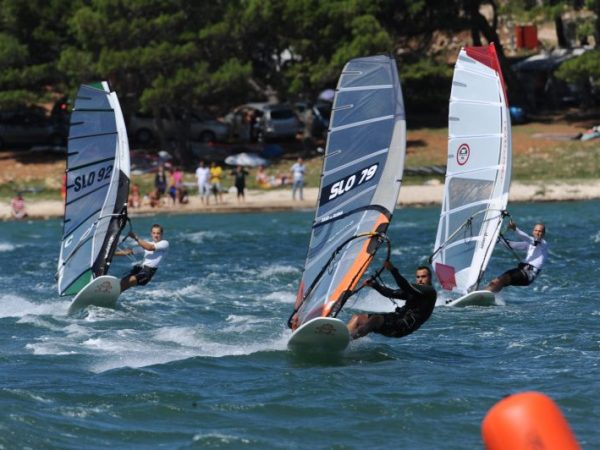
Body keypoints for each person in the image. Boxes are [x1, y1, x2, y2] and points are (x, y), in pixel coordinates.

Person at [347, 262, 437, 340]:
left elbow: (405, 286)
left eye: (423, 276)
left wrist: (392, 270)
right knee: (358, 318)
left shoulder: (429, 292)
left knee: (375, 319)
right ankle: (343, 335)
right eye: (418, 277)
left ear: (430, 278)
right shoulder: (413, 292)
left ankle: (349, 339)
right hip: (395, 319)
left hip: (403, 327)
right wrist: (375, 285)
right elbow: (391, 293)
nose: (420, 279)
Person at [485, 220, 548, 293]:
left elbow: (528, 239)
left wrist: (515, 229)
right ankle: (487, 294)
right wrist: (498, 240)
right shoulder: (529, 244)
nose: (537, 233)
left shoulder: (543, 243)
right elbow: (512, 245)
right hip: (522, 271)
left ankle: (484, 295)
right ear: (533, 232)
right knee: (496, 282)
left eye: (540, 231)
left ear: (543, 234)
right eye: (536, 230)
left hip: (528, 275)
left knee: (502, 279)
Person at [116, 224, 169, 292]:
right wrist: (114, 253)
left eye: (158, 233)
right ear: (151, 234)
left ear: (162, 234)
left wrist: (136, 237)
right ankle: (114, 294)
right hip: (139, 269)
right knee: (122, 282)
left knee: (130, 280)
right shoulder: (148, 243)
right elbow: (130, 251)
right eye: (154, 233)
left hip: (147, 272)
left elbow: (150, 248)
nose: (156, 235)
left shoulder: (164, 243)